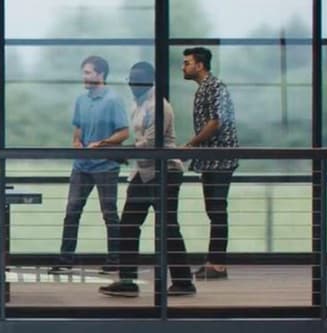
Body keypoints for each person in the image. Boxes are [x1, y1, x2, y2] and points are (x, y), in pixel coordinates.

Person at [99, 62, 196, 297]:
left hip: (165, 174)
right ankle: (128, 281)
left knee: (167, 228)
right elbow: (142, 143)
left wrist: (123, 152)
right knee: (129, 226)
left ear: (149, 82)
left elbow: (151, 144)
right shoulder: (138, 105)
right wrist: (123, 153)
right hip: (144, 174)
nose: (132, 85)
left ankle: (183, 282)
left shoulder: (159, 107)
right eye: (130, 81)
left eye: (137, 81)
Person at [55, 56, 129, 274]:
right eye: (83, 72)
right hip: (81, 166)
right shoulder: (81, 100)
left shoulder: (113, 100)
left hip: (105, 166)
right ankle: (65, 260)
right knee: (72, 211)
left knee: (109, 213)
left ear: (100, 75)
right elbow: (77, 129)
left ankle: (115, 261)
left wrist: (103, 144)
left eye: (88, 73)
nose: (84, 77)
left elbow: (124, 132)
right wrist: (76, 142)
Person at [181, 47, 238, 280]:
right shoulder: (205, 89)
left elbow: (216, 122)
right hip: (210, 159)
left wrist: (191, 144)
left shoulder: (215, 87)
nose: (183, 67)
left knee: (217, 209)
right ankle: (214, 261)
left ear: (200, 65)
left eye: (187, 63)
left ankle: (218, 263)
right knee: (213, 210)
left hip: (220, 158)